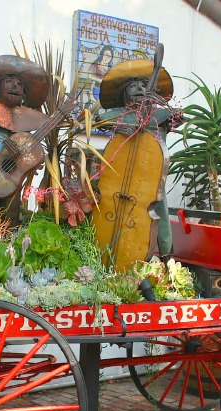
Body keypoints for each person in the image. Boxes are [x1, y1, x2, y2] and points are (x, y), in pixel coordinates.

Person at [92, 57, 182, 270]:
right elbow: (98, 117)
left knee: (159, 207)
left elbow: (177, 117)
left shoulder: (158, 114)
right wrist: (119, 125)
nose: (139, 89)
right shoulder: (119, 114)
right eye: (133, 86)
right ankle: (100, 250)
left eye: (143, 85)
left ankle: (167, 255)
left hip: (150, 173)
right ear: (124, 93)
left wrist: (156, 103)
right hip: (120, 174)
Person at [0, 55, 51, 236]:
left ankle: (10, 258)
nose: (15, 86)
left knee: (11, 223)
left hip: (12, 180)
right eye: (9, 81)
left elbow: (29, 148)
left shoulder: (25, 117)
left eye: (20, 84)